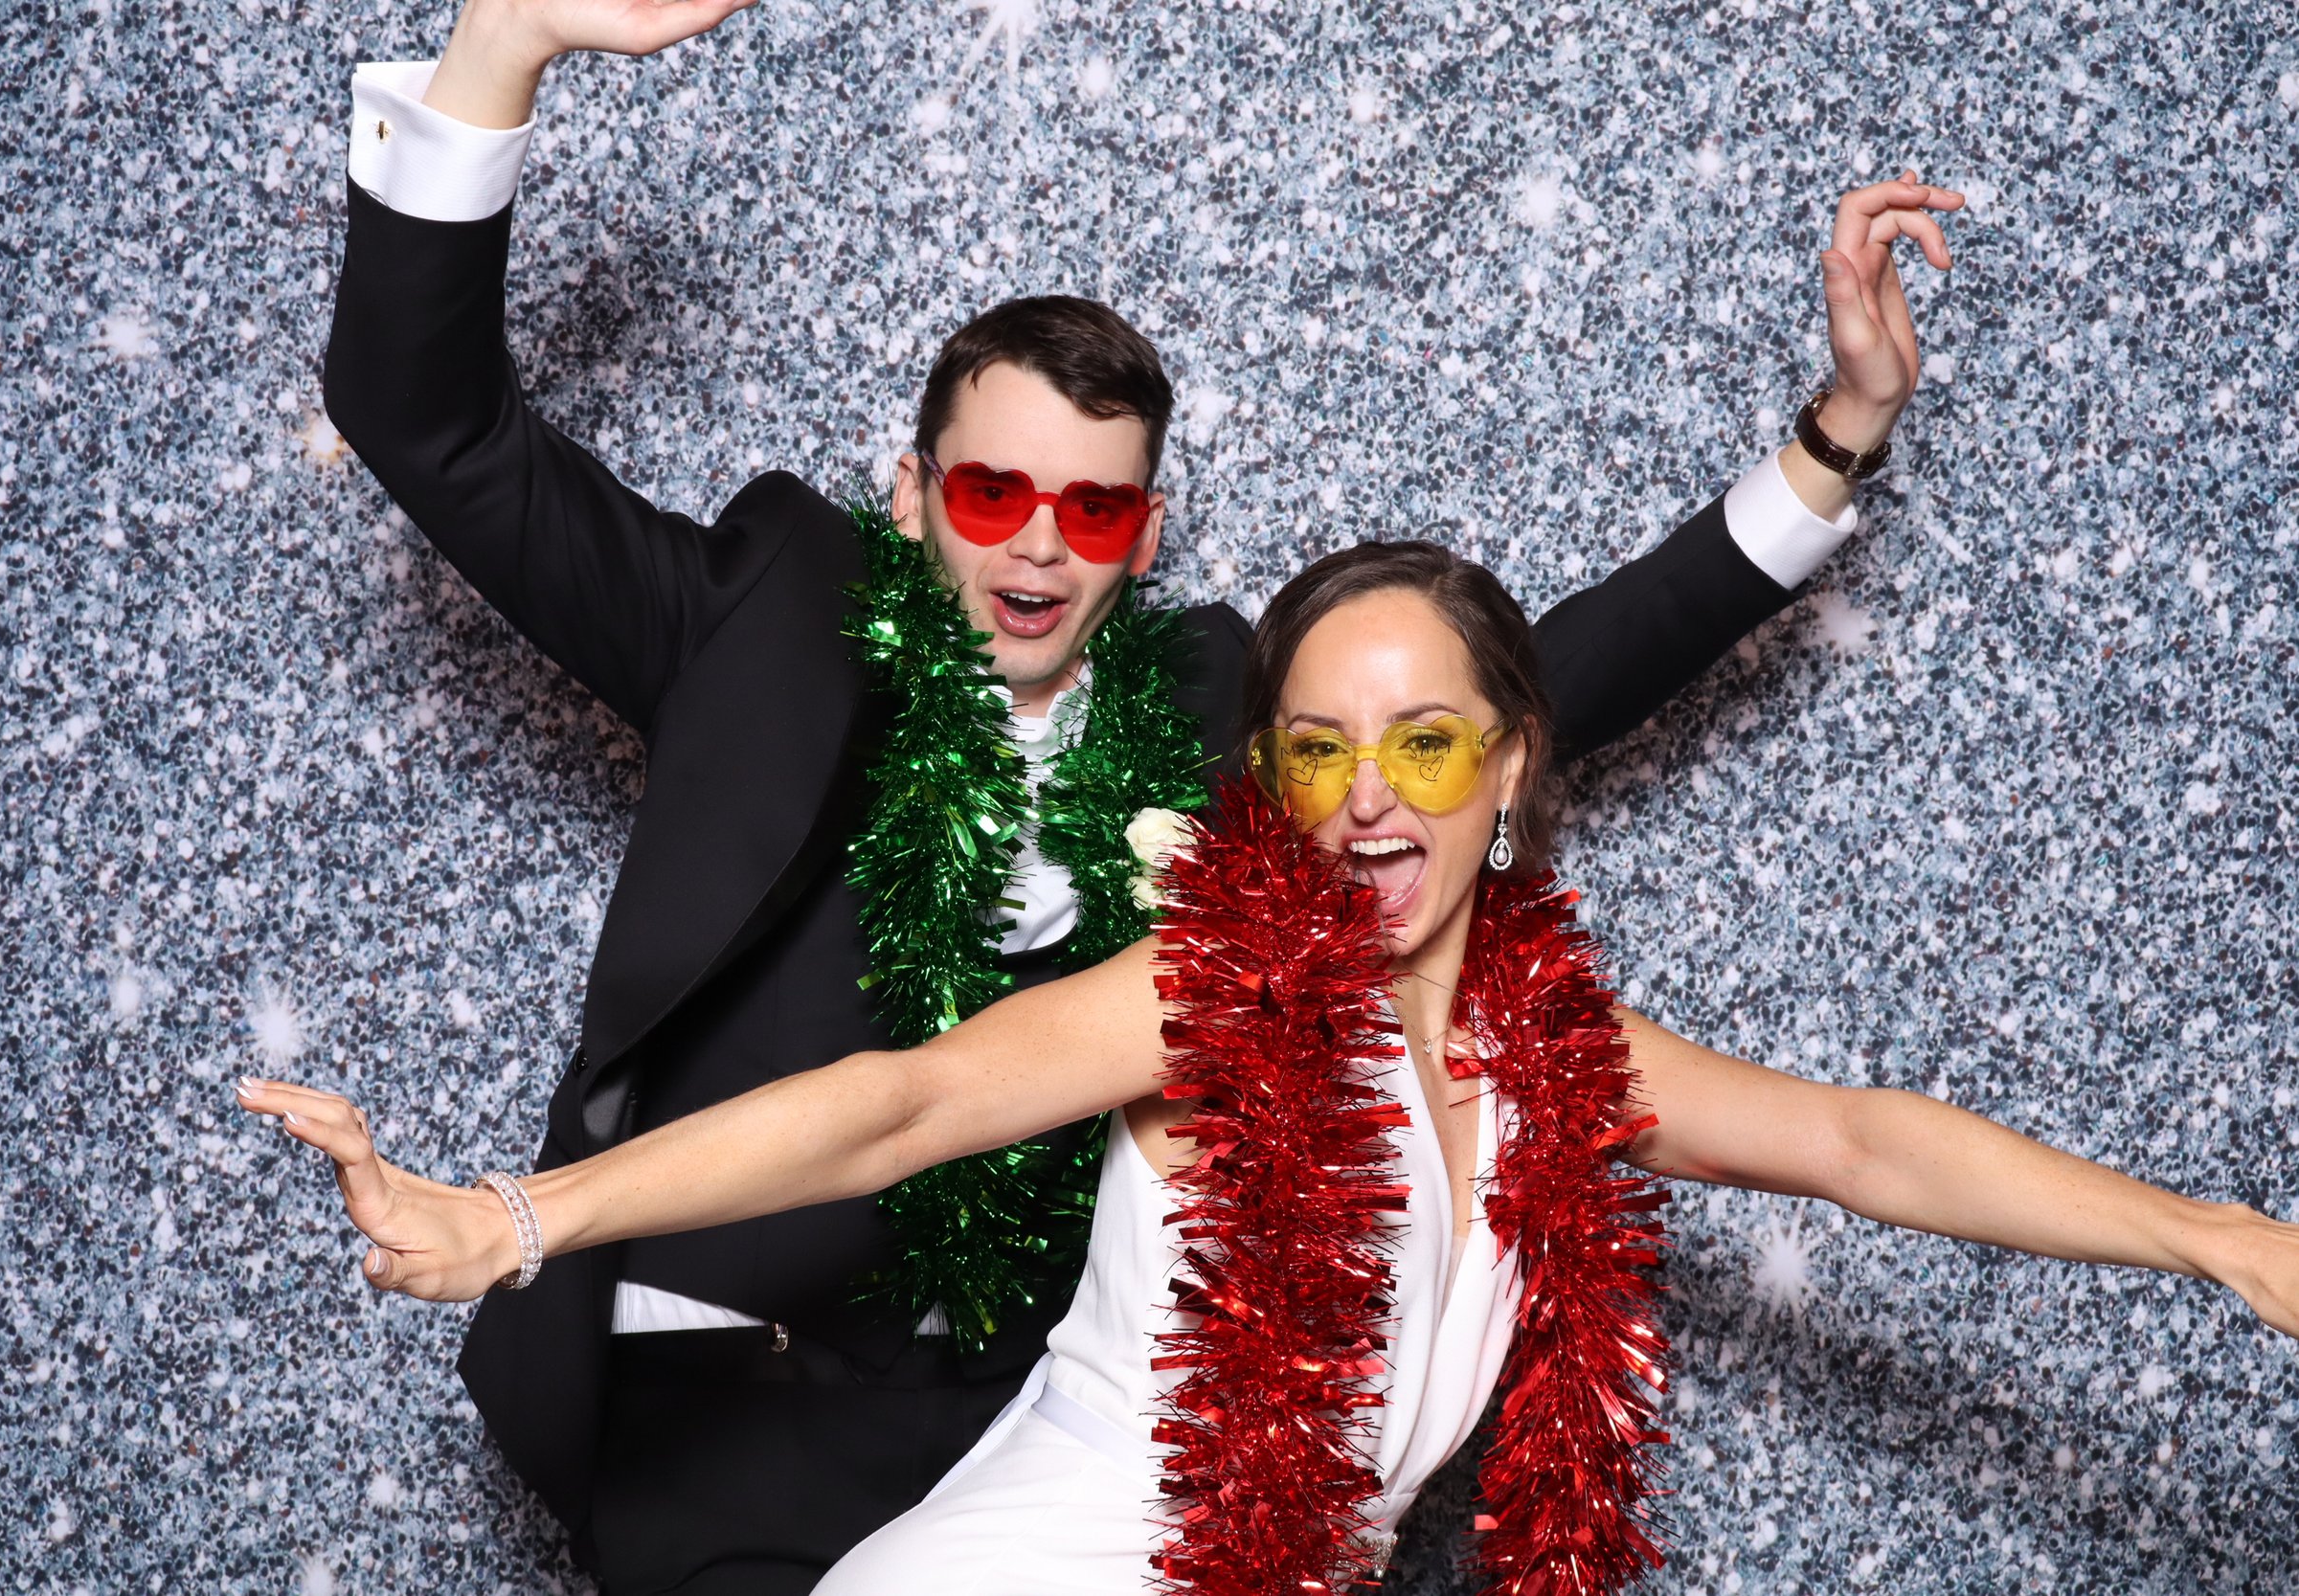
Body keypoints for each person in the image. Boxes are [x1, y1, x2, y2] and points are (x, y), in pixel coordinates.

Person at [320, 0, 1959, 1586]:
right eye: (992, 488)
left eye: (1094, 511)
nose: (1040, 540)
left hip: (1025, 1429)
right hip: (722, 1419)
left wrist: (1837, 438)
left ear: (1145, 537)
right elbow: (435, 426)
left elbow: (1515, 686)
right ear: (910, 497)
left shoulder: (1205, 714)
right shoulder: (756, 621)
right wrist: (502, 46)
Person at [238, 538, 2299, 1593]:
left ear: (1503, 767)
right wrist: (520, 1215)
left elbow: (1862, 1145)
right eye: (1318, 749)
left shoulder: (1553, 1051)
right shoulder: (1209, 994)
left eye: (1422, 743)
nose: (1371, 799)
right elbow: (903, 1104)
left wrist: (2221, 1245)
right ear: (1273, 788)